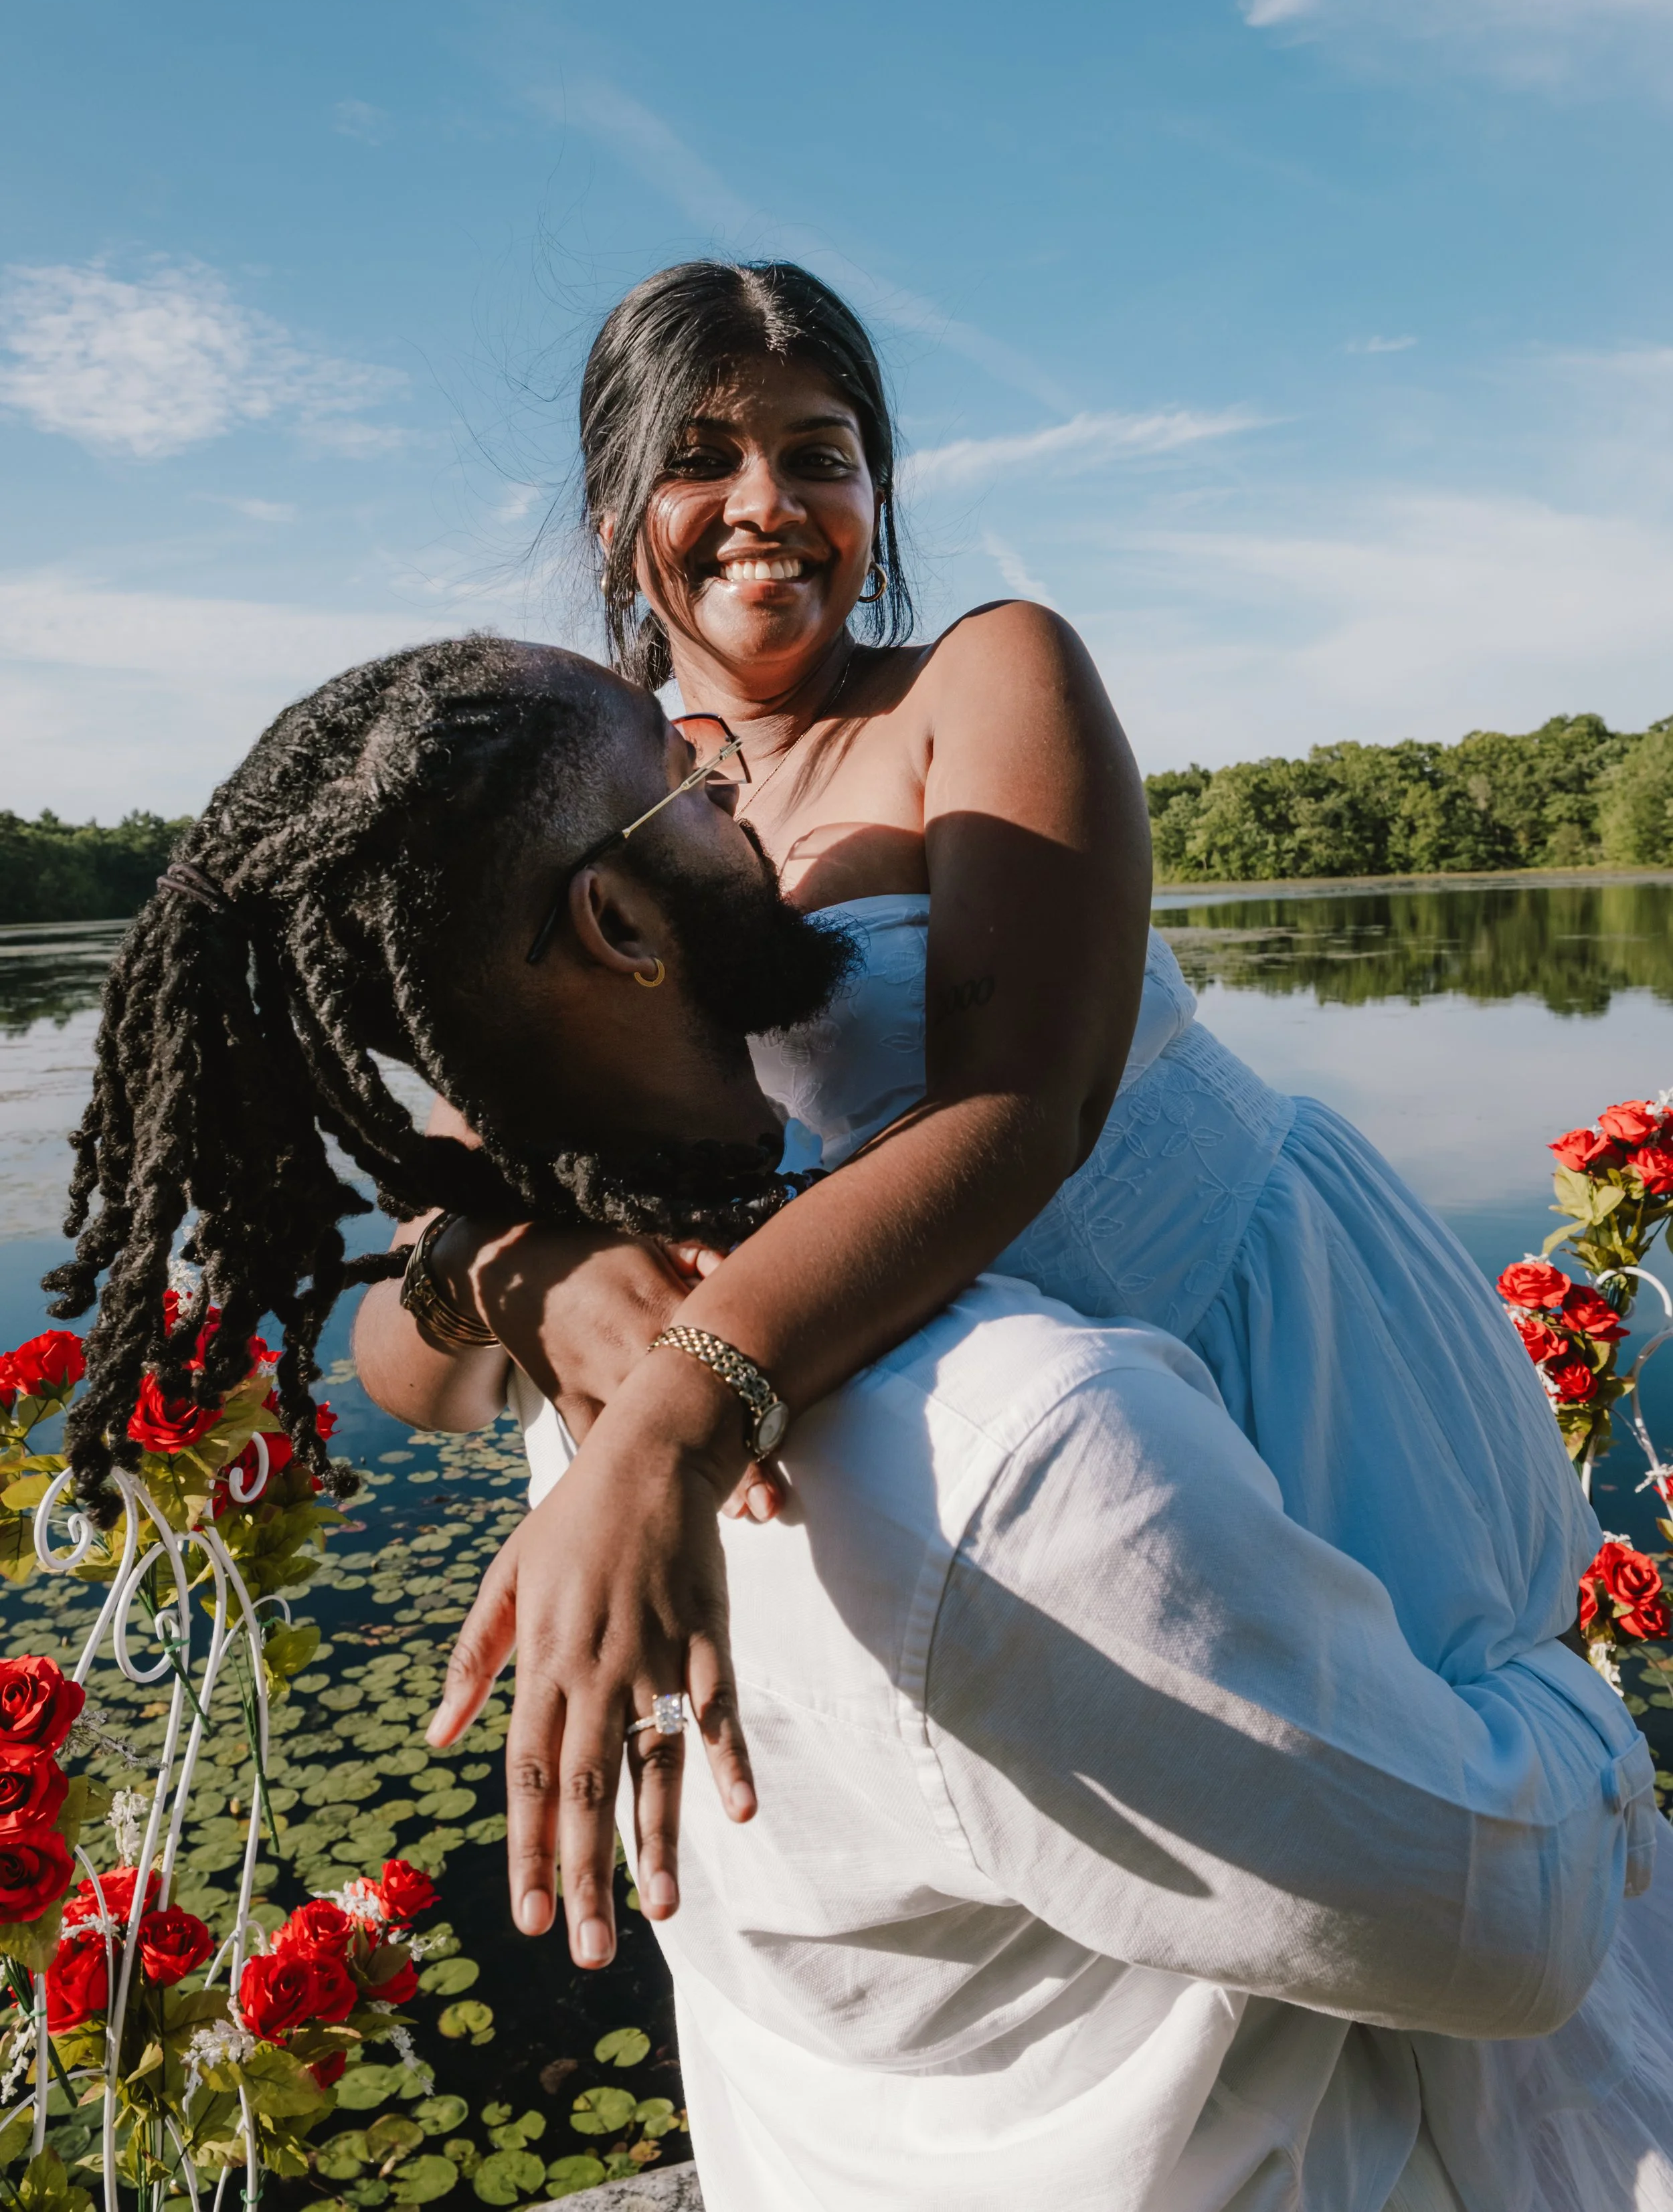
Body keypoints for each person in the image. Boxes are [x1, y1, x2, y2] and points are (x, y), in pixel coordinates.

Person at [48, 636, 1672, 2211]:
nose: (743, 803)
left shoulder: (579, 1406)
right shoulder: (1029, 1458)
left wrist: (516, 1266)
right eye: (683, 784)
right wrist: (1530, 1675)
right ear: (620, 920)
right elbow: (1511, 1918)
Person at [358, 264, 1607, 1985]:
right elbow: (408, 1342)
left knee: (1410, 1809)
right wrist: (530, 1280)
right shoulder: (574, 782)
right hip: (951, 1448)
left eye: (824, 454)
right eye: (702, 454)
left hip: (1230, 1325)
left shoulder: (982, 673)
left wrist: (679, 1407)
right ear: (606, 509)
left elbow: (1026, 1109)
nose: (769, 505)